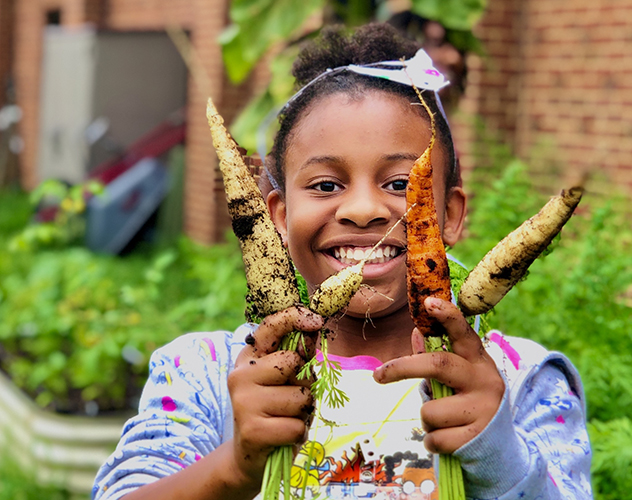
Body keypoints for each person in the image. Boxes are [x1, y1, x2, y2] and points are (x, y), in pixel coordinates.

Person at [93, 23, 592, 500]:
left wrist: (500, 453)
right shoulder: (208, 375)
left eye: (402, 184)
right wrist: (235, 465)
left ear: (451, 214)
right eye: (326, 185)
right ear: (279, 218)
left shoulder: (517, 379)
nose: (362, 210)